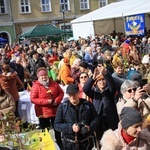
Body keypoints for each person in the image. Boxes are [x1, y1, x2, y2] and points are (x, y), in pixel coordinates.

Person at [54, 84, 99, 150]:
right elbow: (56, 125)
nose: (72, 97)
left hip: (86, 144)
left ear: (78, 93)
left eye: (74, 94)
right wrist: (71, 128)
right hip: (69, 144)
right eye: (70, 95)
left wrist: (90, 127)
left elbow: (96, 119)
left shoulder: (87, 104)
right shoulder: (63, 107)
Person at [30, 67, 64, 149]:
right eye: (42, 75)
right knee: (44, 130)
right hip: (43, 112)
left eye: (45, 75)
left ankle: (59, 142)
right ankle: (45, 144)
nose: (44, 77)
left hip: (54, 110)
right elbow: (33, 99)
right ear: (39, 77)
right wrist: (46, 101)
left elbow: (61, 93)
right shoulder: (36, 86)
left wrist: (57, 100)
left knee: (57, 128)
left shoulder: (53, 83)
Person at [83, 65, 119, 141]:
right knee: (99, 140)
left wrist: (106, 73)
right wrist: (93, 78)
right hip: (98, 120)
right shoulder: (94, 92)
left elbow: (112, 86)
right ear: (96, 83)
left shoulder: (109, 92)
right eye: (99, 80)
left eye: (103, 80)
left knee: (112, 141)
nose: (102, 82)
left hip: (110, 120)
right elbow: (85, 89)